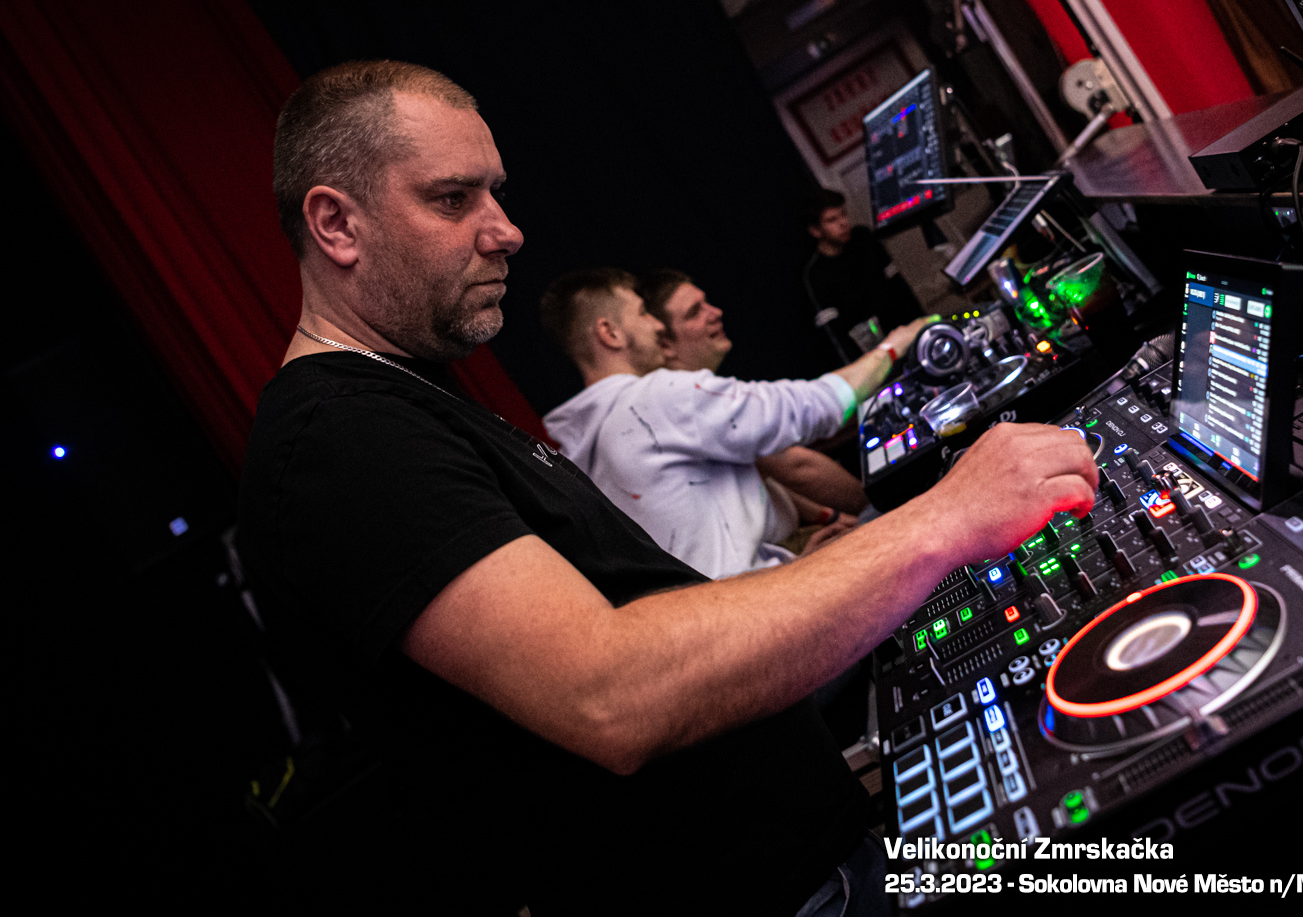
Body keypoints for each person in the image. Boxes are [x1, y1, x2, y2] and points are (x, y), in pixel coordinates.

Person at [236, 60, 1098, 913]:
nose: (507, 231)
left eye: (496, 194)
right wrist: (944, 519)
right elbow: (607, 691)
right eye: (454, 198)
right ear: (336, 224)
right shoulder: (342, 438)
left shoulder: (403, 402)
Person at [540, 270, 925, 580]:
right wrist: (895, 346)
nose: (656, 325)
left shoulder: (580, 447)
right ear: (609, 333)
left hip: (726, 612)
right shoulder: (653, 399)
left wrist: (791, 564)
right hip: (765, 617)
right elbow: (813, 407)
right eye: (642, 313)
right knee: (914, 517)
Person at [636, 267, 868, 519]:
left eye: (706, 303)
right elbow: (796, 467)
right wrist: (877, 504)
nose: (715, 313)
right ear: (665, 344)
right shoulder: (690, 402)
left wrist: (826, 516)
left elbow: (763, 473)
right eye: (695, 312)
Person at [801, 191, 926, 364]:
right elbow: (835, 333)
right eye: (832, 220)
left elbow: (899, 287)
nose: (843, 223)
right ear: (816, 231)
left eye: (843, 214)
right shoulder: (816, 273)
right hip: (874, 354)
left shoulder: (863, 238)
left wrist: (923, 327)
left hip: (903, 333)